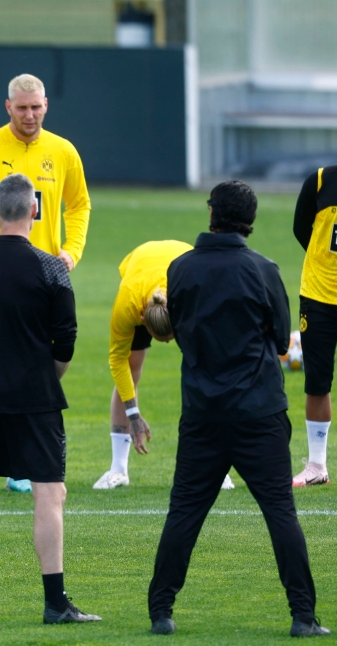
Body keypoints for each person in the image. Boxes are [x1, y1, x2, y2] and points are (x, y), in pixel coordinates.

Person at [148, 181, 328, 637]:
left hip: (203, 411)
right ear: (250, 220)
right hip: (258, 411)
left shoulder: (181, 268)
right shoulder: (263, 269)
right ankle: (303, 616)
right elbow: (280, 336)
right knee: (280, 513)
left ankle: (161, 611)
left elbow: (180, 328)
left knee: (185, 511)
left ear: (211, 213)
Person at [0, 173, 100, 624]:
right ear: (35, 210)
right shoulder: (51, 268)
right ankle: (55, 603)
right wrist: (47, 376)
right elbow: (65, 341)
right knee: (50, 494)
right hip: (36, 398)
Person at [0, 73, 90, 493]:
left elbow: (80, 204)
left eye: (36, 107)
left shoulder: (63, 151)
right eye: (22, 108)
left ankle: (20, 462)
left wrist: (72, 249)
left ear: (46, 105)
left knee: (42, 360)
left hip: (43, 276)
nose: (30, 115)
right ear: (7, 107)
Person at [93, 240, 235, 491]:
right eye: (162, 339)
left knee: (205, 373)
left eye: (171, 338)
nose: (169, 343)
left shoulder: (193, 294)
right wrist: (133, 414)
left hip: (184, 263)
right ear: (142, 322)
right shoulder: (127, 306)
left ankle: (217, 467)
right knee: (130, 369)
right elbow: (117, 362)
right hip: (138, 266)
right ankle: (118, 469)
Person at [291, 166, 337, 487]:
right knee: (317, 381)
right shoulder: (321, 180)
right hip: (318, 297)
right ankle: (317, 466)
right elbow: (299, 227)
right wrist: (322, 260)